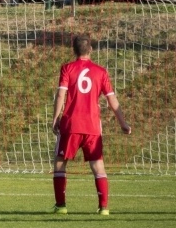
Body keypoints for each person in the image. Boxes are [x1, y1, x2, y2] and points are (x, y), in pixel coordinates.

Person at [50, 35, 132, 216]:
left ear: (74, 50)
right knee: (98, 166)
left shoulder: (67, 69)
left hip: (70, 125)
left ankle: (61, 206)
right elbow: (112, 99)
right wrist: (123, 123)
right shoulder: (100, 72)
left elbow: (61, 95)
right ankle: (103, 208)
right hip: (93, 126)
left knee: (60, 164)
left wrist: (56, 117)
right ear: (91, 50)